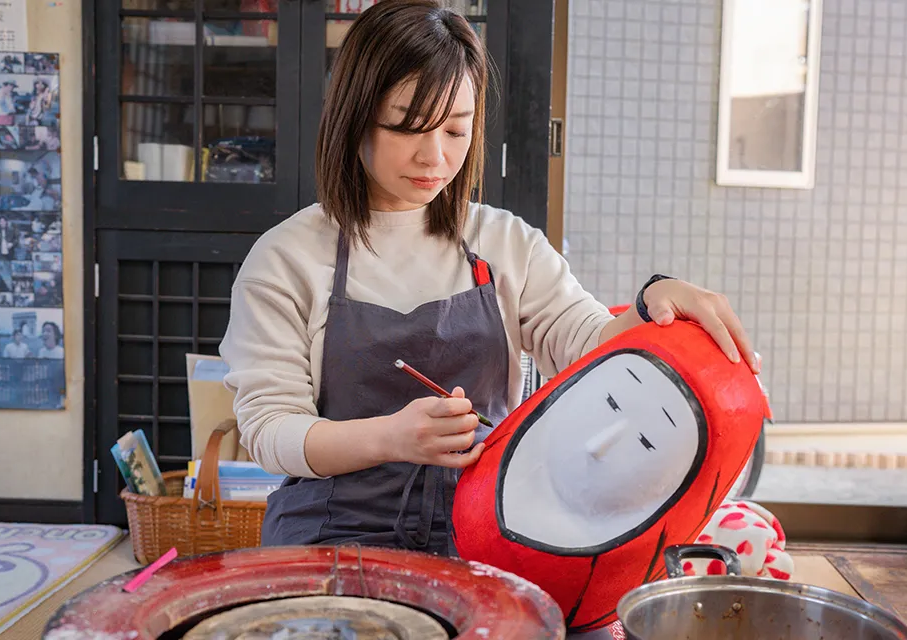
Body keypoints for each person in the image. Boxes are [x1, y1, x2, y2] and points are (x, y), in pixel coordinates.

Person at [220, 0, 758, 577]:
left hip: (490, 535)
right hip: (329, 538)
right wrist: (391, 437)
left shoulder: (505, 243)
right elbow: (270, 432)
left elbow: (585, 342)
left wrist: (655, 298)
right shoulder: (287, 257)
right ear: (353, 117)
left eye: (456, 129)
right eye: (407, 126)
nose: (436, 156)